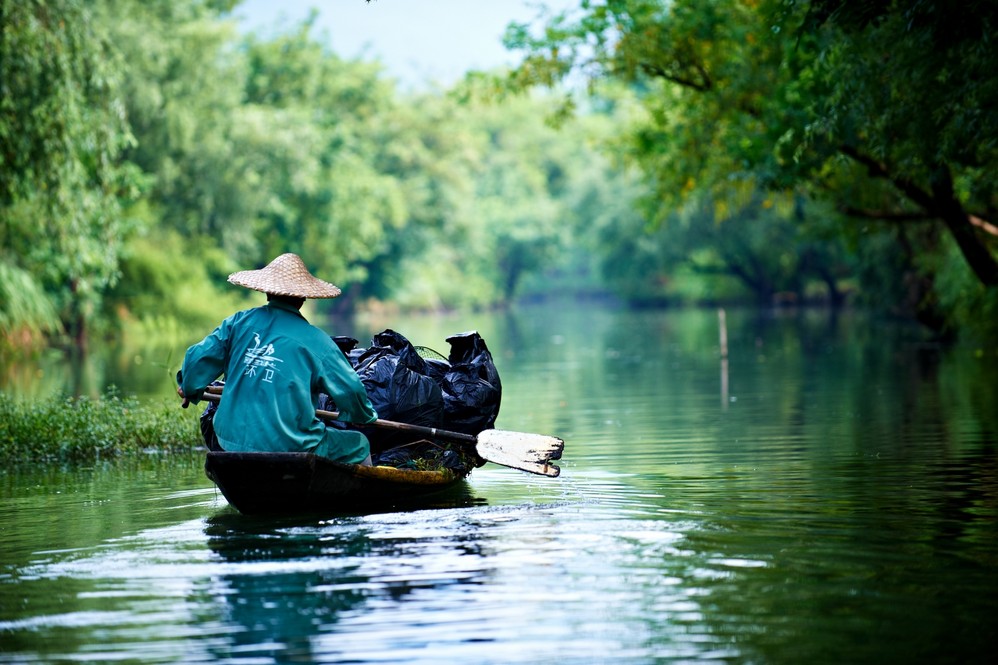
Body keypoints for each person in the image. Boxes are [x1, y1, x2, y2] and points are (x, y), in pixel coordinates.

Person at [176, 253, 378, 465]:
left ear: (267, 293)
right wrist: (363, 416)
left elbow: (196, 361)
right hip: (290, 444)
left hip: (228, 439)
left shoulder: (237, 323)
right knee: (359, 443)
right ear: (303, 298)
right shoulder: (318, 342)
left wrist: (189, 388)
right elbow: (352, 391)